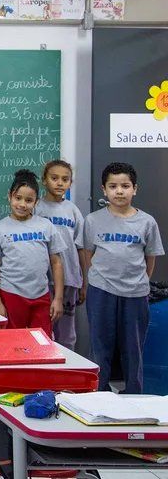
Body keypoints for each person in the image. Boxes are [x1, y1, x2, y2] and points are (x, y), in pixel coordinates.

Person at [83, 162, 164, 394]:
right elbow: (89, 255)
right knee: (100, 348)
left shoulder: (147, 222)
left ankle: (134, 396)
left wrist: (140, 282)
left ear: (135, 189)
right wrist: (99, 279)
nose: (119, 191)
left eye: (125, 186)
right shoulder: (93, 220)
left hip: (135, 294)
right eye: (113, 186)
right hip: (101, 291)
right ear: (104, 189)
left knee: (133, 349)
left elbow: (150, 259)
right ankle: (98, 396)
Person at [0, 169, 66, 335]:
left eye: (28, 200)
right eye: (17, 198)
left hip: (41, 294)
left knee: (42, 343)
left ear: (36, 202)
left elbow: (56, 263)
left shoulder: (46, 226)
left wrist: (58, 298)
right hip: (11, 294)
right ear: (9, 196)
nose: (22, 204)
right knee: (12, 342)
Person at [35, 160, 86, 349]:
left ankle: (67, 374)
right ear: (44, 180)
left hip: (70, 279)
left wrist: (84, 282)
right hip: (43, 280)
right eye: (54, 178)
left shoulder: (73, 211)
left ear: (70, 183)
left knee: (66, 333)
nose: (59, 183)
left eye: (65, 179)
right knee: (44, 331)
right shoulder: (37, 208)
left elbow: (80, 247)